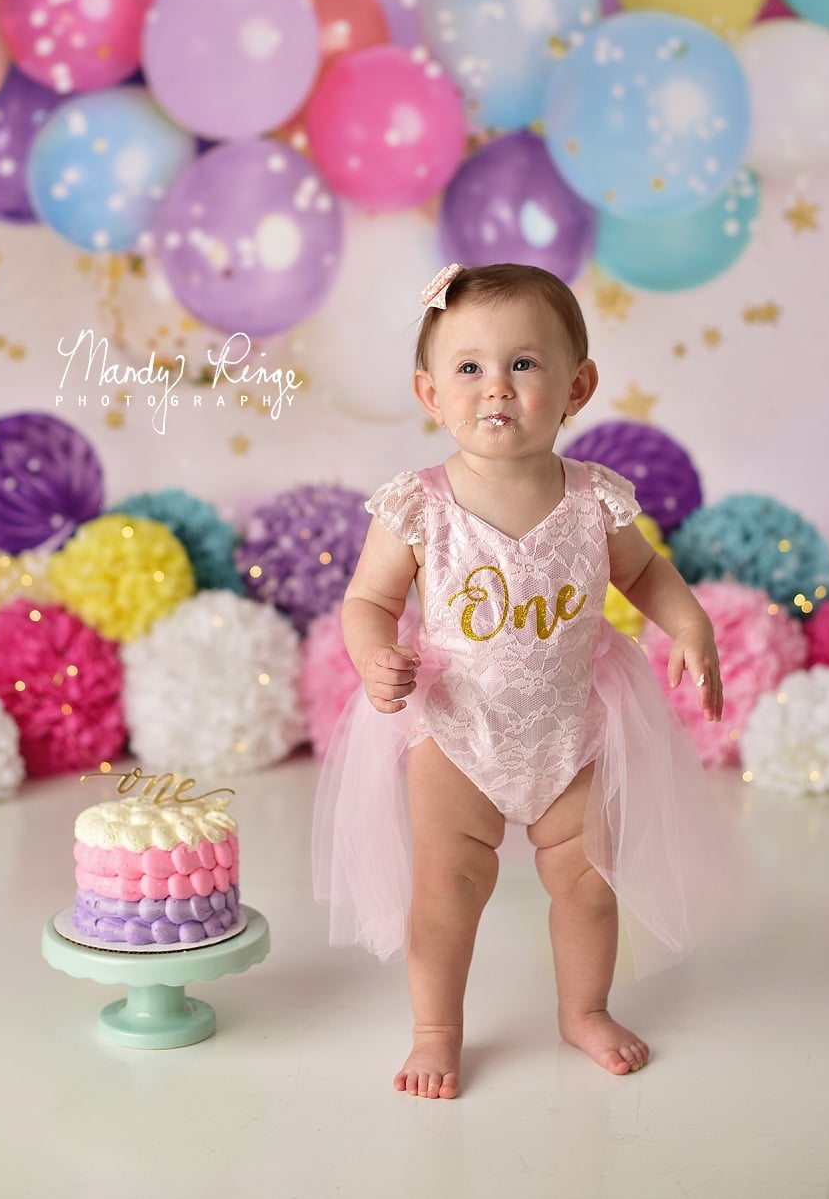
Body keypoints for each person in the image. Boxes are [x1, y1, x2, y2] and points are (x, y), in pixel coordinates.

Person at [313, 261, 731, 1100]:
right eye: (469, 369)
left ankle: (584, 1009)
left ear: (578, 384)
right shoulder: (419, 505)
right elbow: (367, 599)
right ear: (430, 393)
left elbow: (646, 575)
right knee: (450, 886)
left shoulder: (593, 501)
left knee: (587, 881)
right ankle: (437, 1029)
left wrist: (688, 623)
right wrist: (372, 653)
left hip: (571, 725)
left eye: (523, 365)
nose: (495, 388)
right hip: (455, 729)